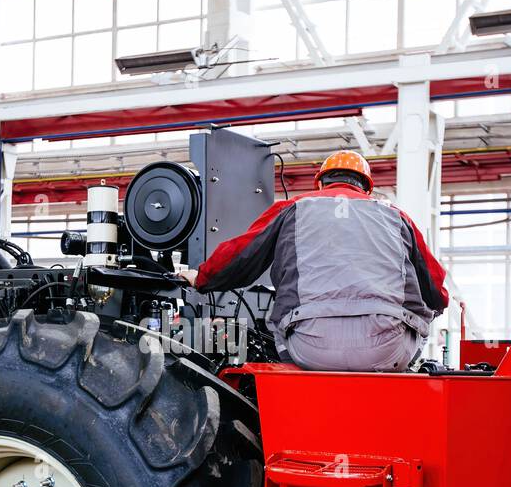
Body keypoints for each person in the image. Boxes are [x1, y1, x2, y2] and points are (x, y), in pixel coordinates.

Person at [181, 150, 449, 371]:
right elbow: (437, 292)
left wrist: (201, 278)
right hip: (388, 350)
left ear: (321, 183)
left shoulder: (294, 207)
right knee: (423, 316)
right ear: (366, 187)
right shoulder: (396, 216)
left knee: (277, 327)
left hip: (310, 349)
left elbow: (239, 257)